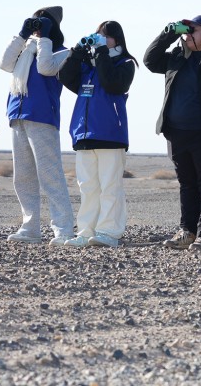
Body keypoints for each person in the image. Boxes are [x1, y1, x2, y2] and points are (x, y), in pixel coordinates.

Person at [144, 15, 201, 252]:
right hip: (176, 131)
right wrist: (169, 32)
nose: (187, 35)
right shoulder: (176, 58)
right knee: (187, 184)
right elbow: (149, 60)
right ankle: (187, 230)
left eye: (192, 30)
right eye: (186, 31)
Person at [0, 7, 75, 246]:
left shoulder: (62, 52)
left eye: (43, 21)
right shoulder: (25, 51)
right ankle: (30, 227)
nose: (37, 25)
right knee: (23, 177)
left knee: (50, 175)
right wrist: (22, 36)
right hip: (17, 115)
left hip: (42, 117)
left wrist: (45, 38)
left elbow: (45, 68)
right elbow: (4, 63)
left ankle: (63, 229)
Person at [57, 21, 136, 248]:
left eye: (105, 36)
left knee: (109, 186)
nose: (100, 39)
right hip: (84, 134)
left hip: (111, 134)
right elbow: (64, 77)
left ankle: (109, 231)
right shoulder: (88, 67)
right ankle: (85, 231)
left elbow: (112, 83)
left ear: (117, 40)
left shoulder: (125, 63)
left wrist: (101, 52)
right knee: (88, 186)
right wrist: (77, 53)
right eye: (98, 35)